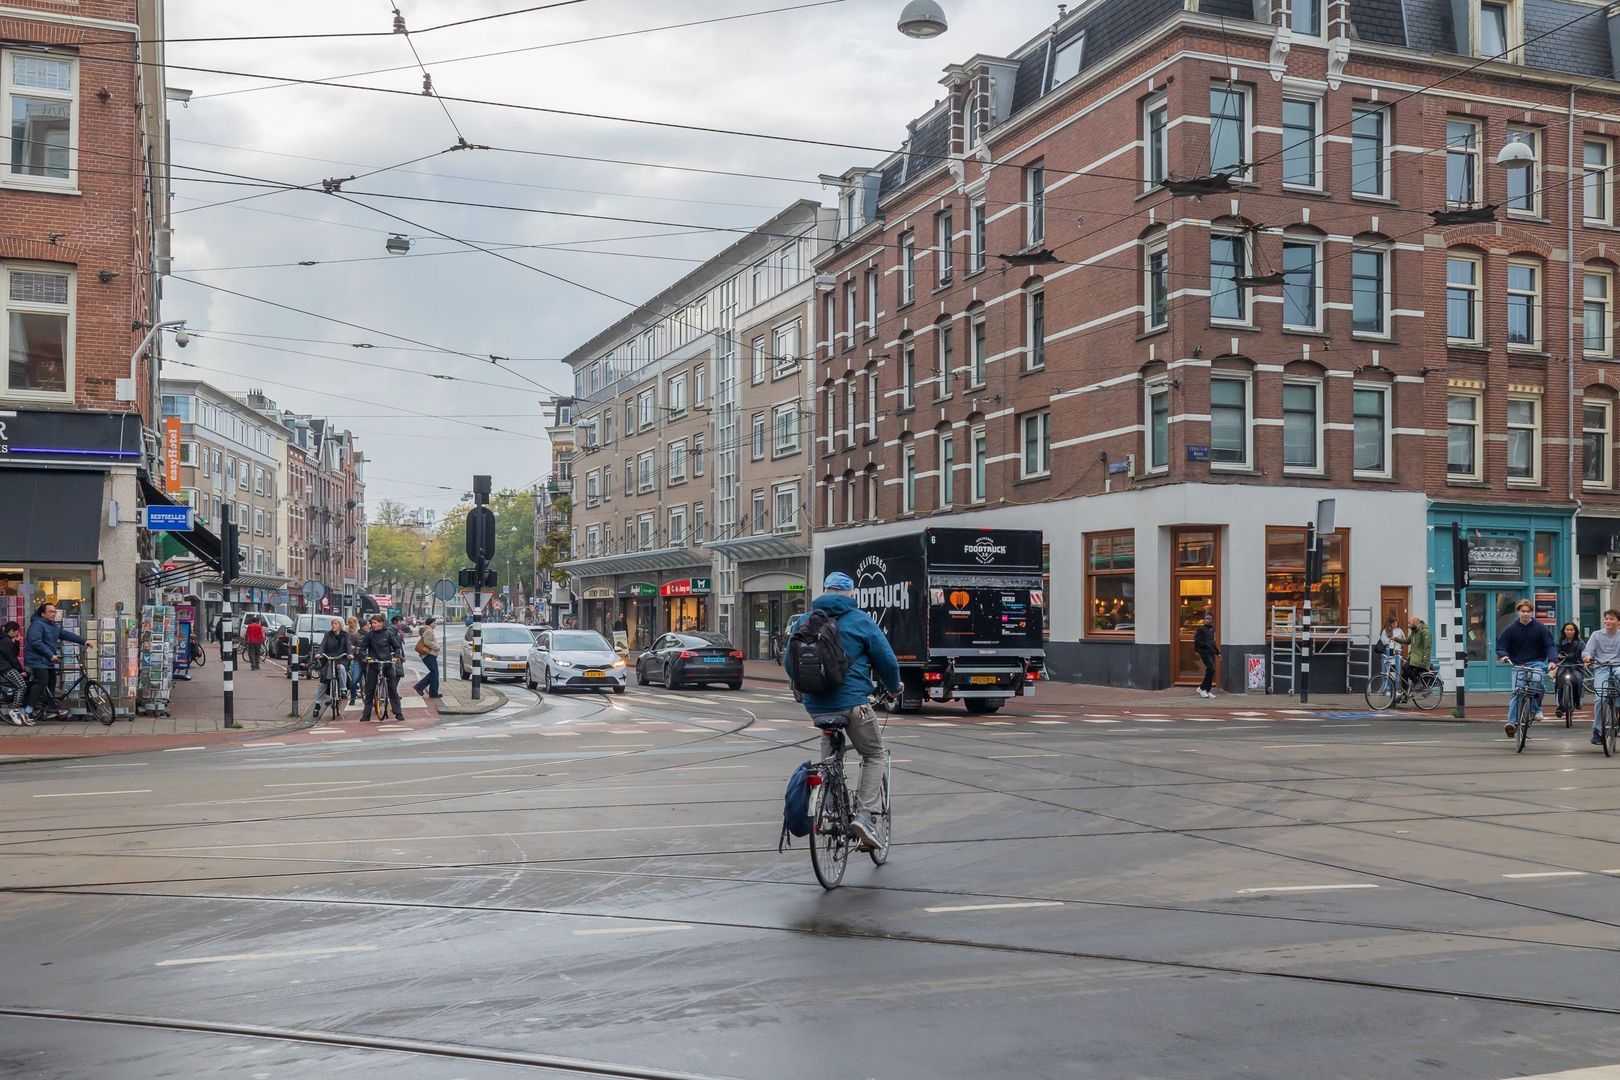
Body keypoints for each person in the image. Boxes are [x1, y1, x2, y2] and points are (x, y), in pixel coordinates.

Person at [783, 571, 902, 850]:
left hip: (816, 707)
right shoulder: (860, 620)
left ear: (824, 591)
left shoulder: (805, 620)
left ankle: (830, 799)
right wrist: (894, 687)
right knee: (874, 754)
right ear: (851, 595)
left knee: (829, 747)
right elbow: (886, 660)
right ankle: (864, 815)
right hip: (852, 705)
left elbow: (790, 664)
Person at [1497, 599, 1557, 738]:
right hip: (1518, 665)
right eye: (1523, 611)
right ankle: (1511, 723)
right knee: (1517, 692)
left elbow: (1550, 646)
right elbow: (1501, 646)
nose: (1525, 614)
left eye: (1528, 611)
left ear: (1532, 612)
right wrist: (1504, 656)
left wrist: (1553, 661)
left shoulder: (1540, 628)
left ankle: (1536, 710)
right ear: (1518, 612)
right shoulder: (1510, 629)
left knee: (1537, 682)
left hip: (1536, 663)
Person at [22, 603, 85, 718]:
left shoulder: (52, 625)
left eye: (54, 612)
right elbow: (36, 642)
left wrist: (83, 641)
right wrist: (51, 655)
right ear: (42, 613)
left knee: (52, 681)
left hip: (46, 660)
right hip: (37, 660)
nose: (53, 614)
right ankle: (27, 710)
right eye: (50, 612)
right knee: (42, 682)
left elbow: (65, 634)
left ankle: (50, 708)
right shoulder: (37, 625)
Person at [1582, 609, 1620, 746]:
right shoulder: (1596, 635)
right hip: (1601, 667)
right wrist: (1587, 657)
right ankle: (1597, 732)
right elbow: (1587, 650)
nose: (1608, 621)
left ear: (1618, 622)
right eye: (1606, 619)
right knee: (1600, 698)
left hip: (1618, 666)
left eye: (1611, 619)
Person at [359, 614, 404, 721]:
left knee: (392, 689)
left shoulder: (388, 634)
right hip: (374, 664)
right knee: (369, 690)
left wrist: (396, 657)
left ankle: (398, 713)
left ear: (381, 623)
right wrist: (366, 657)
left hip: (387, 664)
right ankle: (366, 715)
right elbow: (362, 649)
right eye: (372, 623)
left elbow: (397, 647)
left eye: (375, 623)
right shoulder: (369, 635)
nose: (373, 625)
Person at [312, 618, 351, 712]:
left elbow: (348, 646)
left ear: (340, 625)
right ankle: (317, 705)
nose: (334, 625)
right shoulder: (327, 635)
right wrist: (319, 653)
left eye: (336, 624)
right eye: (333, 623)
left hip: (341, 659)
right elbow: (322, 645)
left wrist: (350, 653)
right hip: (328, 660)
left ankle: (343, 690)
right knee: (323, 682)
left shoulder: (345, 635)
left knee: (341, 668)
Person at [1392, 616, 1432, 697]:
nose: (1408, 625)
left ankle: (1418, 683)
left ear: (1415, 623)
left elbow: (1427, 648)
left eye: (1409, 623)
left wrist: (1425, 661)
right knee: (1404, 674)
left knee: (1406, 667)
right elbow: (1407, 641)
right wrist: (1396, 639)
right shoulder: (1414, 632)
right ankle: (1405, 693)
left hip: (1420, 659)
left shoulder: (1425, 632)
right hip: (1414, 658)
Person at [1554, 621, 1586, 719]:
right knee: (1560, 682)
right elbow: (1554, 653)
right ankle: (1560, 706)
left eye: (1571, 630)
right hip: (1563, 666)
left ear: (1575, 631)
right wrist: (1557, 658)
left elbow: (1584, 653)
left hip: (1576, 666)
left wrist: (1584, 661)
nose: (1569, 631)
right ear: (1564, 631)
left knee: (1578, 680)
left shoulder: (1580, 643)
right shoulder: (1559, 642)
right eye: (1567, 629)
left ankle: (1577, 701)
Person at [0, 621, 27, 725]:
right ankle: (14, 710)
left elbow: (14, 653)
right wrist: (21, 671)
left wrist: (16, 642)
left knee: (19, 685)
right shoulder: (5, 641)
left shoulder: (6, 640)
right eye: (16, 631)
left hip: (6, 667)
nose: (17, 633)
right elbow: (13, 658)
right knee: (22, 686)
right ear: (11, 631)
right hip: (5, 668)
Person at [412, 616, 442, 699]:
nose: (435, 624)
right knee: (434, 673)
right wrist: (437, 647)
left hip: (428, 655)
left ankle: (432, 692)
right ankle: (421, 688)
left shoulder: (427, 630)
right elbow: (427, 642)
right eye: (434, 623)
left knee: (434, 673)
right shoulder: (428, 631)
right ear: (430, 624)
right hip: (428, 654)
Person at [1193, 611, 1219, 698]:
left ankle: (1207, 690)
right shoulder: (1200, 630)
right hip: (1204, 653)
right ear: (1204, 620)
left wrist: (1217, 653)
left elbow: (1213, 642)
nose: (1207, 620)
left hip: (1211, 652)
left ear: (1212, 620)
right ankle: (1201, 688)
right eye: (1206, 619)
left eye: (1209, 619)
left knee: (1211, 671)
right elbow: (1197, 641)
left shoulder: (1212, 630)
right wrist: (1197, 650)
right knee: (1211, 669)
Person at [345, 615, 364, 704]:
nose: (349, 624)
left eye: (351, 623)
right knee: (354, 678)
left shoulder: (361, 631)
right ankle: (352, 697)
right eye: (348, 623)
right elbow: (348, 643)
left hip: (363, 658)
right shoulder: (346, 630)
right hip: (353, 657)